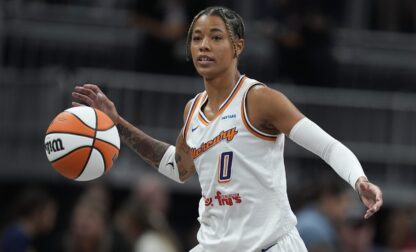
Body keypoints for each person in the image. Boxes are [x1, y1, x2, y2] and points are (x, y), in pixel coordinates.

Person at [71, 6, 383, 251]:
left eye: (216, 37)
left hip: (270, 246)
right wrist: (117, 122)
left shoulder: (259, 99)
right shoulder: (192, 109)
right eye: (196, 38)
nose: (203, 45)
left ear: (237, 46)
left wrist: (358, 180)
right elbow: (179, 168)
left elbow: (327, 146)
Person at [296, 176, 352, 251]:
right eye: (342, 201)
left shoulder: (318, 221)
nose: (346, 207)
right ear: (328, 198)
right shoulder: (311, 228)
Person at [0, 187, 57, 252]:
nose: (53, 220)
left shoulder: (22, 237)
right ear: (37, 213)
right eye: (49, 214)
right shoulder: (16, 238)